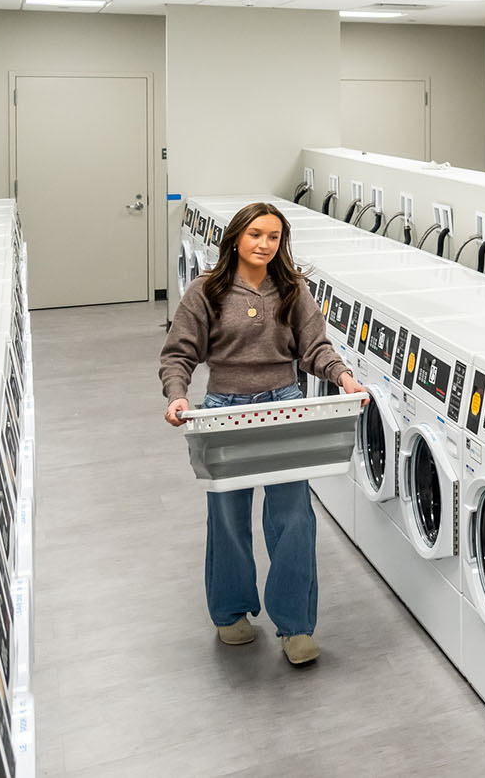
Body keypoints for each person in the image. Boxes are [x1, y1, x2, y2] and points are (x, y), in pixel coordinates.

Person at [160, 201, 365, 665]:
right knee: (228, 518)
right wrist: (177, 394)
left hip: (283, 406)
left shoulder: (292, 289)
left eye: (273, 237)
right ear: (236, 237)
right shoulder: (205, 291)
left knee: (294, 518)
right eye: (256, 234)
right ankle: (230, 613)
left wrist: (344, 377)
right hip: (223, 410)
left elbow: (315, 347)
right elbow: (178, 353)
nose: (264, 245)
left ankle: (295, 627)